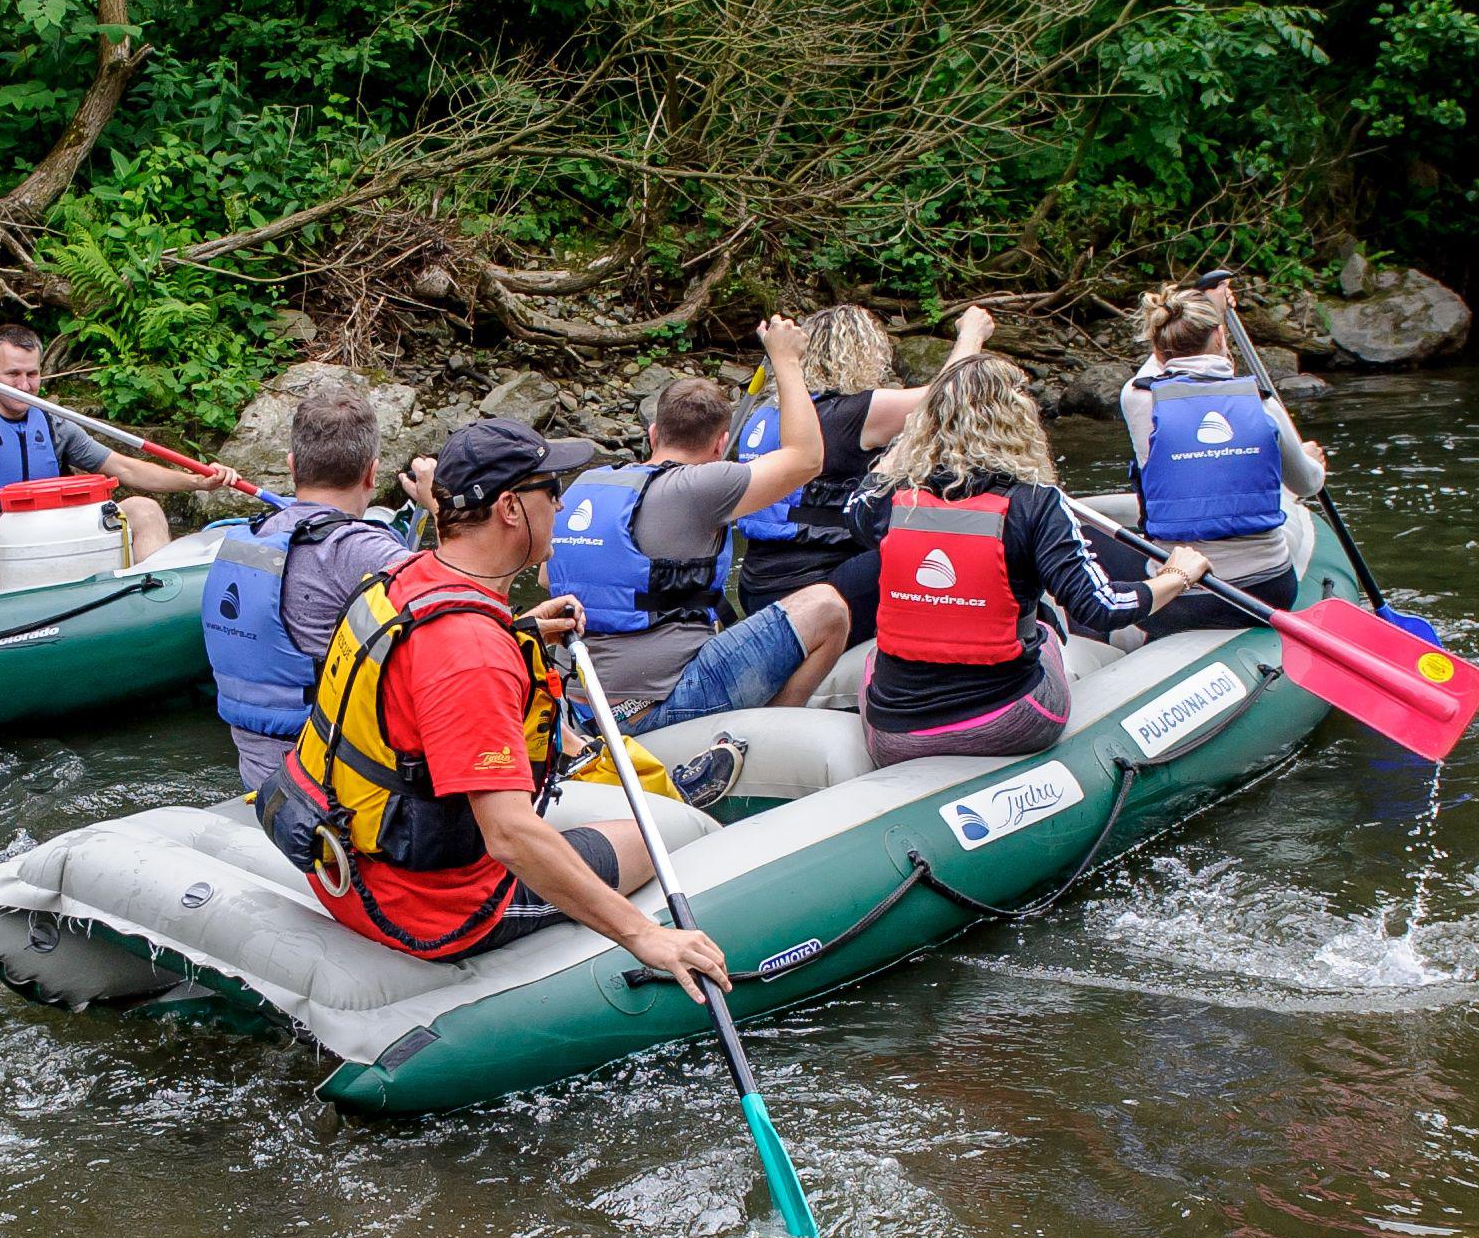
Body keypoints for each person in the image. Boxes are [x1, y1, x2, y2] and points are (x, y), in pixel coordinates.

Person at [256, 417, 731, 984]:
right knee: (659, 835)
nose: (560, 505)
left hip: (343, 866)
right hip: (432, 909)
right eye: (551, 492)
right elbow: (507, 833)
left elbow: (420, 672)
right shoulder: (471, 651)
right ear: (511, 508)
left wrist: (520, 631)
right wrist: (645, 936)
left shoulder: (401, 577)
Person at [827, 356, 1209, 766]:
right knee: (1046, 630)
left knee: (874, 658)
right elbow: (1100, 608)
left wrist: (913, 445)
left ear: (928, 423)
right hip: (1007, 722)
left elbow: (860, 503)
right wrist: (1176, 575)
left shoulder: (886, 503)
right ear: (1018, 417)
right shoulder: (1037, 503)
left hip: (894, 734)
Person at [546, 320, 850, 735]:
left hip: (579, 702)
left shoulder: (589, 485)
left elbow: (549, 576)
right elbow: (806, 459)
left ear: (653, 433)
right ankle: (769, 739)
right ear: (720, 446)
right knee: (827, 607)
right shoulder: (703, 484)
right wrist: (786, 360)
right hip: (656, 707)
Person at [199, 383, 427, 794]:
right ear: (371, 473)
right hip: (334, 781)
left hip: (258, 771)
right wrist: (442, 510)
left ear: (292, 466)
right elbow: (461, 613)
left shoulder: (247, 538)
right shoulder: (362, 549)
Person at [728, 302, 998, 617]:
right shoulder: (852, 413)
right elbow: (950, 395)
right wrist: (972, 334)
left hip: (756, 587)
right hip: (815, 588)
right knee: (942, 542)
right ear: (864, 355)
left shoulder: (764, 416)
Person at [1094, 282, 1330, 635]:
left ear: (1158, 345)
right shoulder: (1263, 403)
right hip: (1269, 590)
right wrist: (1310, 462)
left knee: (1084, 530)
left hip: (1182, 598)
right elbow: (1308, 484)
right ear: (1221, 335)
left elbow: (1156, 367)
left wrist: (1205, 307)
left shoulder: (1139, 400)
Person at [0, 325, 189, 581]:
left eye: (32, 374)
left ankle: (157, 597)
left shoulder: (53, 422)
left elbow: (126, 469)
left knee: (144, 509)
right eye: (13, 374)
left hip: (53, 544)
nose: (25, 385)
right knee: (8, 527)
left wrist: (198, 482)